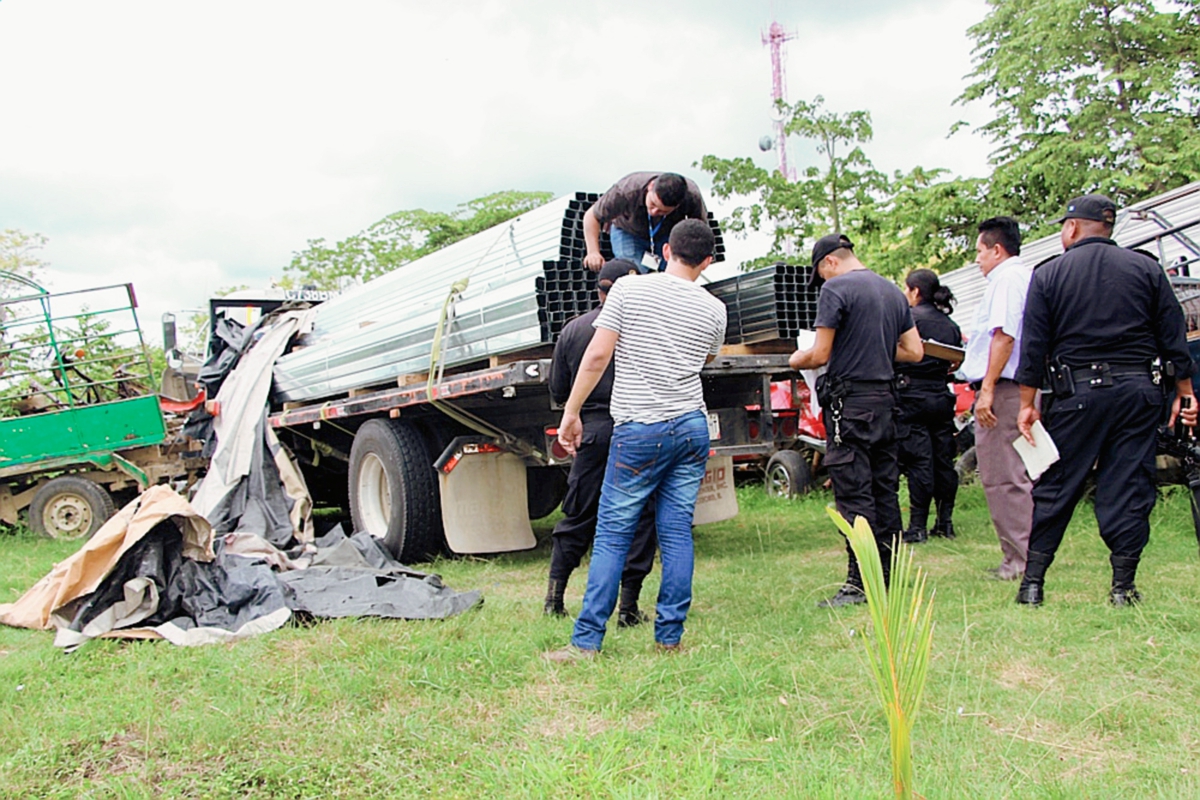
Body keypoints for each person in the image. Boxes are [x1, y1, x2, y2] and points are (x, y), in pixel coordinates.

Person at [543, 219, 726, 661]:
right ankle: (669, 638)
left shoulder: (628, 290)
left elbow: (599, 354)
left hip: (640, 427)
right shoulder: (715, 308)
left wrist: (571, 412)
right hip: (690, 427)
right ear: (707, 261)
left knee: (612, 534)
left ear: (665, 251)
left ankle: (586, 642)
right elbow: (705, 358)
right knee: (676, 532)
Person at [1015, 194, 1197, 607]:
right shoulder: (1146, 268)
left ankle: (1033, 585)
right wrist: (1184, 392)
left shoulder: (1049, 275)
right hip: (1139, 393)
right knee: (1130, 484)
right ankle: (1122, 587)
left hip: (1076, 394)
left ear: (1073, 227)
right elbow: (1174, 336)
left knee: (1057, 484)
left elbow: (1034, 346)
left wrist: (1027, 403)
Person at [789, 234, 924, 608]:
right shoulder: (893, 291)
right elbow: (915, 351)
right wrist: (874, 348)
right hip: (885, 403)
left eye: (821, 274)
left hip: (848, 407)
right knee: (885, 491)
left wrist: (795, 360)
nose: (823, 282)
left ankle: (859, 582)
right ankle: (890, 575)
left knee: (854, 494)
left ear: (830, 262)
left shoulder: (836, 291)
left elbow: (820, 354)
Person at [544, 259, 657, 626]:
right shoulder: (644, 328)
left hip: (593, 433)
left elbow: (559, 389)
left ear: (599, 289)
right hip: (636, 431)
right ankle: (627, 608)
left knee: (578, 514)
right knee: (640, 517)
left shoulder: (574, 330)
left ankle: (555, 598)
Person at [957, 217, 1034, 581]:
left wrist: (986, 388)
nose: (978, 260)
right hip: (1009, 386)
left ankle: (1019, 560)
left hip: (1002, 388)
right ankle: (1022, 554)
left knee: (1003, 475)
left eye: (980, 251)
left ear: (997, 249)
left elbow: (1004, 336)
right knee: (1014, 471)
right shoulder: (1017, 277)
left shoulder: (1007, 279)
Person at [896, 269, 963, 544]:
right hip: (941, 394)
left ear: (914, 291)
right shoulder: (949, 324)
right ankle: (945, 522)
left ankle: (917, 526)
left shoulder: (908, 321)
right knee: (943, 460)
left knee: (919, 461)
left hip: (911, 395)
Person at [583, 172, 708, 274]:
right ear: (651, 186)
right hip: (628, 230)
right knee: (632, 272)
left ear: (677, 206)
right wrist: (593, 251)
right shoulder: (626, 190)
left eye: (662, 211)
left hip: (666, 234)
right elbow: (591, 216)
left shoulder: (692, 197)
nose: (654, 212)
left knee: (675, 273)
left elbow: (700, 231)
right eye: (653, 204)